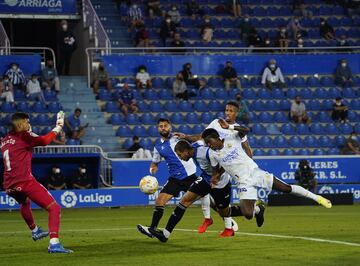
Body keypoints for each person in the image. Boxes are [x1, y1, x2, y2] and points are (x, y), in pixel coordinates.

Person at [202, 126, 331, 221]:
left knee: (285, 188)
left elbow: (246, 130)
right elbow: (216, 171)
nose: (209, 145)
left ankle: (318, 198)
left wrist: (229, 127)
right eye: (207, 144)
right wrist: (215, 178)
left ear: (217, 138)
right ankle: (258, 209)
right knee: (248, 214)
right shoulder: (213, 154)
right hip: (243, 182)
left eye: (210, 142)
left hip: (255, 173)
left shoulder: (231, 138)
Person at [149, 138, 248, 242]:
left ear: (186, 152)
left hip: (220, 183)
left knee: (224, 212)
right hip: (205, 180)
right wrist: (187, 136)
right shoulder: (195, 147)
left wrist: (217, 175)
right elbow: (201, 138)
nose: (180, 158)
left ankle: (256, 210)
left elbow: (225, 162)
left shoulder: (205, 153)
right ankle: (165, 234)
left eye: (179, 155)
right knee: (184, 201)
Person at [175, 101, 252, 234]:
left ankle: (234, 222)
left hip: (226, 167)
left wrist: (250, 164)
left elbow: (247, 147)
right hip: (213, 162)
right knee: (215, 200)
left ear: (236, 113)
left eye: (231, 111)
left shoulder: (238, 129)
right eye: (226, 110)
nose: (227, 113)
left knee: (221, 202)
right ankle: (227, 225)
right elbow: (202, 137)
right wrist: (186, 137)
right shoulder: (217, 123)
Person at [0, 111, 72, 253]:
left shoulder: (4, 140)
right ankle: (54, 243)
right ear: (20, 123)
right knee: (54, 208)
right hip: (24, 181)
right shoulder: (25, 135)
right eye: (27, 122)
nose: (29, 124)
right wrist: (58, 126)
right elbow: (44, 141)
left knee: (24, 202)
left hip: (9, 185)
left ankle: (35, 230)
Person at [136, 118, 198, 238]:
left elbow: (194, 145)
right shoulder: (158, 147)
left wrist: (186, 136)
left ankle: (227, 218)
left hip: (190, 176)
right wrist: (152, 169)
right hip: (175, 179)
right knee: (159, 200)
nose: (163, 128)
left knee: (209, 200)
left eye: (165, 126)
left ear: (170, 127)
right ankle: (152, 229)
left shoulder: (179, 138)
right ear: (158, 129)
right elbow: (155, 162)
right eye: (161, 126)